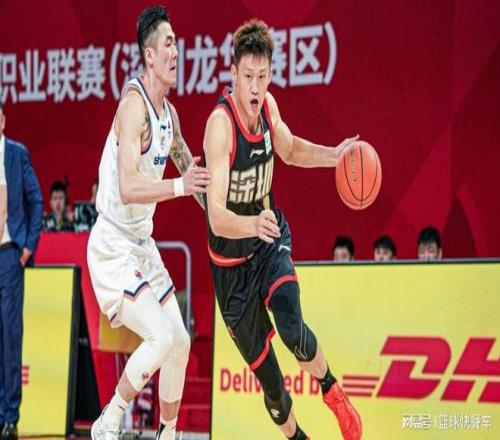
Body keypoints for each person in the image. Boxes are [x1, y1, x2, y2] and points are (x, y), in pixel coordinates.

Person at [203, 19, 362, 440]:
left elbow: (289, 149)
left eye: (262, 76)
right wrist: (250, 222)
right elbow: (216, 215)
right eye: (248, 77)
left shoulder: (268, 108)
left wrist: (335, 156)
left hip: (268, 243)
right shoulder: (220, 126)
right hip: (230, 270)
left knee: (293, 327)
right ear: (233, 74)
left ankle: (332, 391)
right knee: (273, 387)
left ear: (270, 75)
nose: (255, 87)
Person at [86, 6, 209, 440]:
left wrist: (223, 217)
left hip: (142, 243)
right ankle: (108, 420)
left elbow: (192, 175)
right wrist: (181, 185)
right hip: (113, 244)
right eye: (169, 44)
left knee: (179, 342)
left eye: (177, 43)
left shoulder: (169, 117)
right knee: (158, 337)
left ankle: (167, 433)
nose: (177, 52)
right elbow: (128, 187)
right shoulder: (132, 107)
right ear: (150, 56)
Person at [0, 100, 43, 439]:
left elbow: (36, 199)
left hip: (9, 256)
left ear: (2, 120)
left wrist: (28, 246)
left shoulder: (15, 154)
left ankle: (10, 416)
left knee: (10, 336)